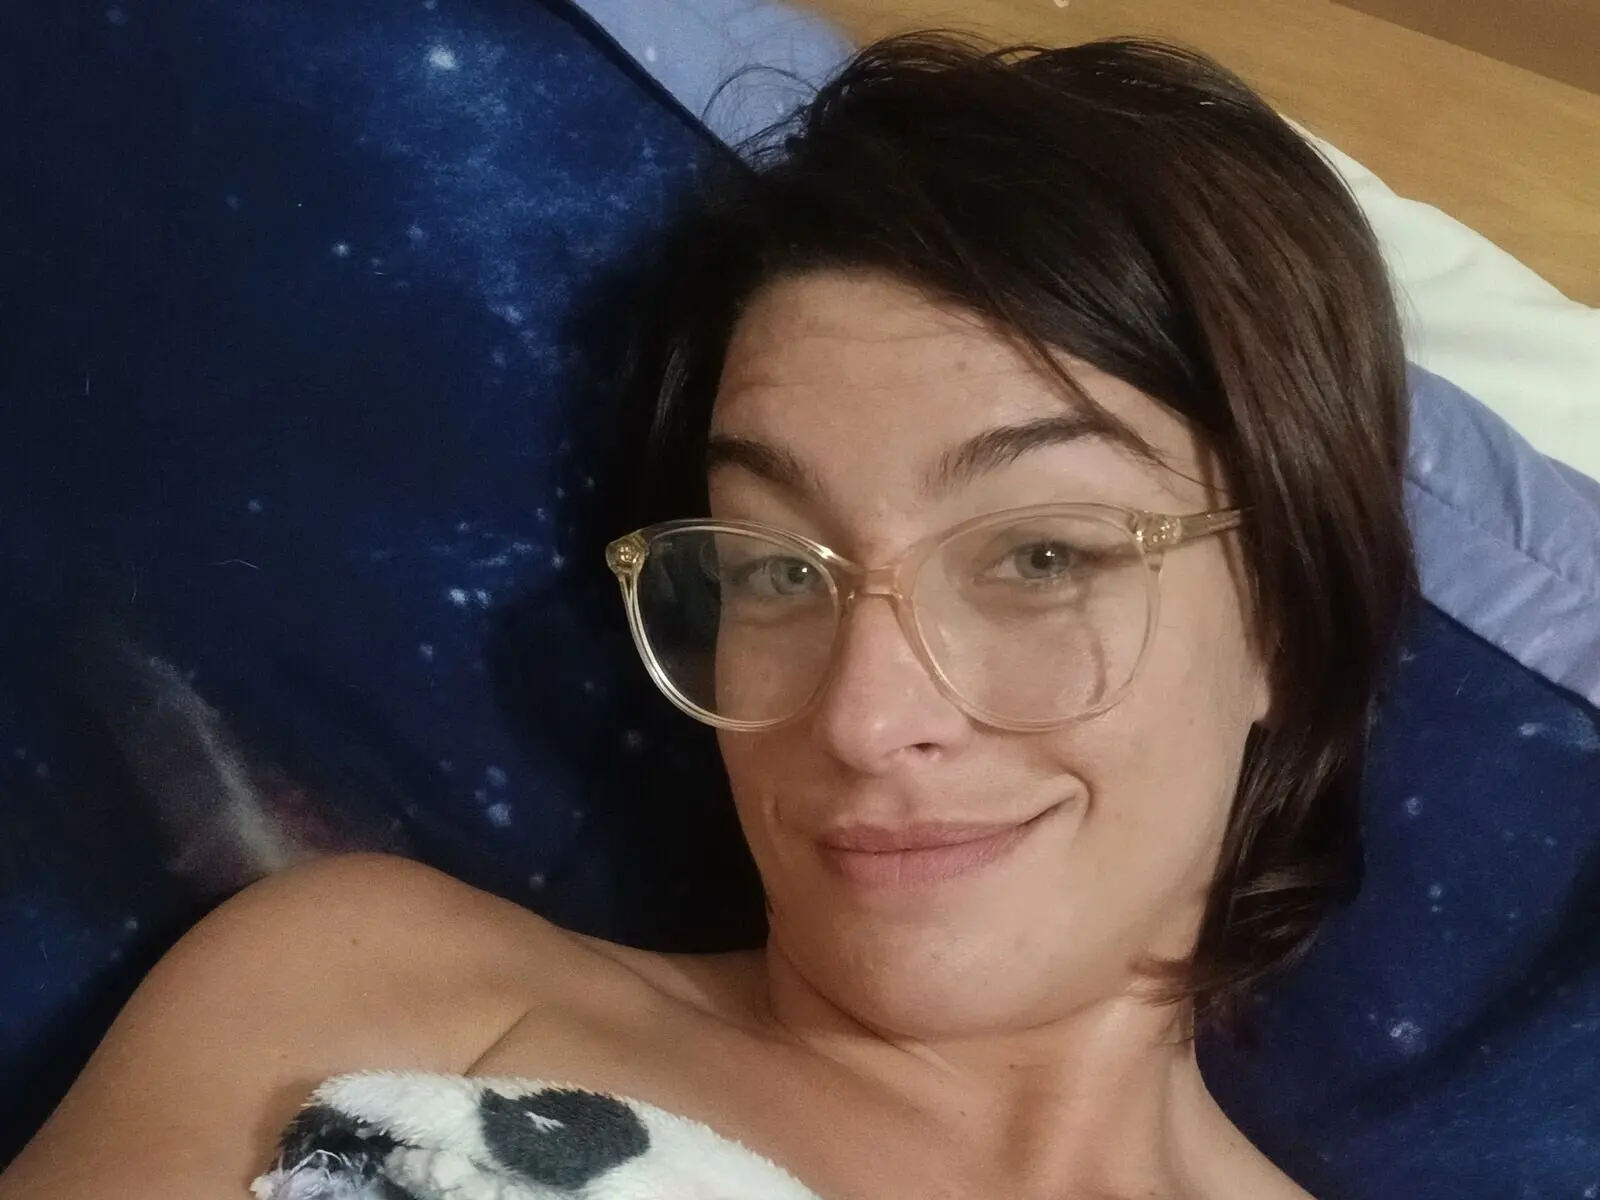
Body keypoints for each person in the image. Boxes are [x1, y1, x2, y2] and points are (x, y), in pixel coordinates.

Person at [0, 32, 1414, 1200]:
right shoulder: (380, 991)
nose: (864, 719)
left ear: (1288, 615)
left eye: (1039, 557)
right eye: (776, 571)